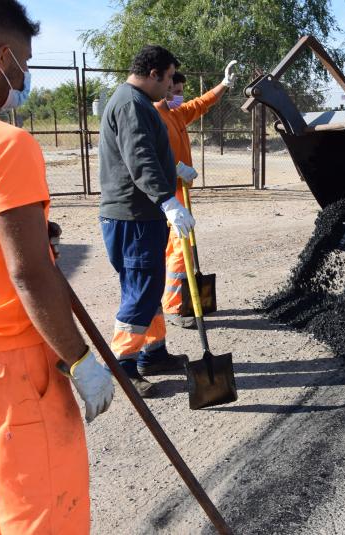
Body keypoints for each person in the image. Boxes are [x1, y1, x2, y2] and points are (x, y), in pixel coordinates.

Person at [0, 1, 114, 533]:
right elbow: (29, 273)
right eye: (24, 63)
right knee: (43, 519)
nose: (24, 76)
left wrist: (32, 233)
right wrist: (80, 359)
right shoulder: (4, 145)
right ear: (2, 56)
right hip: (8, 369)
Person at [99, 45, 197, 397]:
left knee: (149, 287)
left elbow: (150, 155)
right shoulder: (130, 104)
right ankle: (123, 363)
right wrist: (167, 200)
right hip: (133, 216)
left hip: (140, 215)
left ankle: (152, 354)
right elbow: (139, 159)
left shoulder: (137, 103)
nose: (172, 86)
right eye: (169, 78)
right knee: (141, 290)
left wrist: (175, 170)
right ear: (154, 73)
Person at [156, 63, 238, 328]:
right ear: (162, 90)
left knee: (175, 248)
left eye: (180, 91)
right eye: (173, 92)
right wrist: (175, 168)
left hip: (179, 190)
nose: (177, 97)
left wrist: (224, 84)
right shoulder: (156, 116)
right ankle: (173, 306)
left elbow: (201, 103)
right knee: (181, 248)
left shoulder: (177, 113)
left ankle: (171, 300)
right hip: (167, 193)